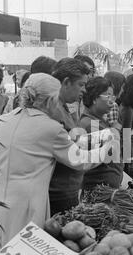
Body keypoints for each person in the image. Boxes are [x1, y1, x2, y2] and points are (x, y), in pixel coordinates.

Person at [0, 74, 109, 253]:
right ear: (50, 101)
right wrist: (107, 146)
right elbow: (82, 161)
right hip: (25, 205)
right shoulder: (51, 128)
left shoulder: (1, 121)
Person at [45, 58, 90, 215]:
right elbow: (76, 158)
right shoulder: (53, 111)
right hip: (57, 194)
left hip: (68, 189)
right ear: (66, 82)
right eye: (81, 84)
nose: (84, 90)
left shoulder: (64, 107)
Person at [80, 77, 124, 190]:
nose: (112, 101)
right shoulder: (90, 125)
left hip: (106, 189)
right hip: (99, 191)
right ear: (94, 98)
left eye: (112, 97)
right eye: (108, 96)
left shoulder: (99, 121)